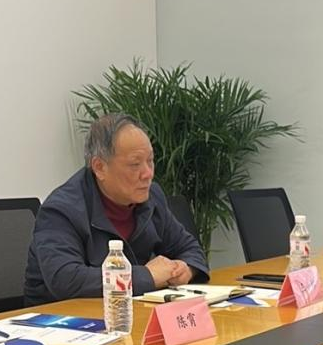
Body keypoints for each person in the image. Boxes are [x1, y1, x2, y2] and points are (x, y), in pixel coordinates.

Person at [24, 112, 208, 304]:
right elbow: (66, 279)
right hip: (60, 317)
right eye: (135, 164)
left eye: (150, 161)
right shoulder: (61, 209)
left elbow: (190, 248)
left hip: (127, 310)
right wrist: (148, 276)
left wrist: (185, 268)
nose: (148, 174)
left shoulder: (152, 197)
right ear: (99, 167)